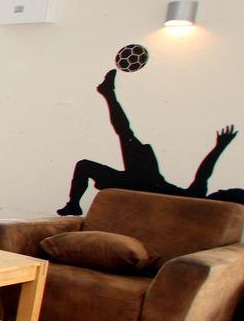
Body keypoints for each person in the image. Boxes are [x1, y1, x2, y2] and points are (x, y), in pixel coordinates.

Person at [57, 68, 238, 215]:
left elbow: (204, 173)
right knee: (86, 164)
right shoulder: (197, 200)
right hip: (135, 183)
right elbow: (204, 175)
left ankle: (108, 94)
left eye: (224, 192)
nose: (220, 190)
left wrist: (219, 147)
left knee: (125, 133)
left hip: (145, 180)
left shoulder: (198, 199)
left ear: (225, 200)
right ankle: (73, 205)